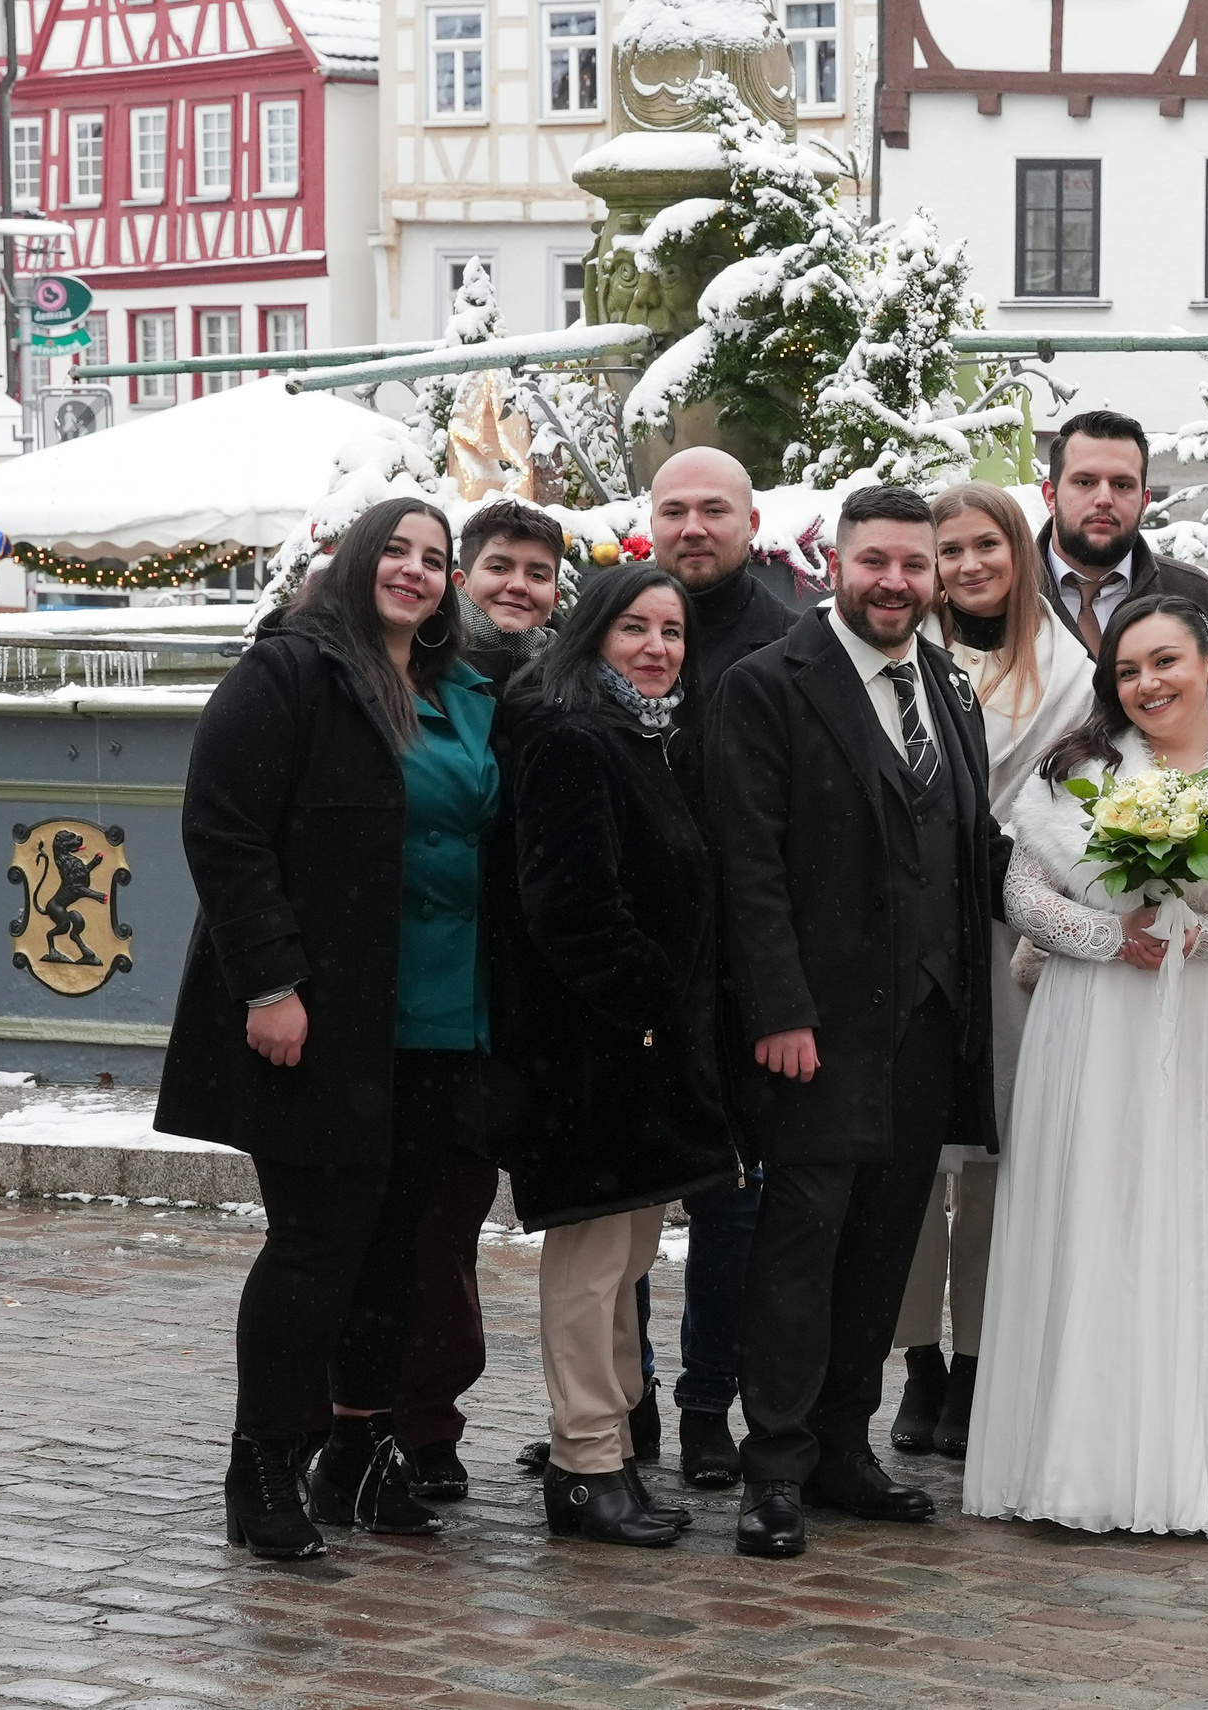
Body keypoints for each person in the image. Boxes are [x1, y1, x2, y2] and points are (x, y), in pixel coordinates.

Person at [966, 594, 1208, 1541]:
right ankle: (1077, 1458)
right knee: (1095, 1214)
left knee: (1203, 1223)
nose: (1147, 684)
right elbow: (1023, 894)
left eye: (1167, 662)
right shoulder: (1077, 773)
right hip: (1092, 1023)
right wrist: (1110, 936)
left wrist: (1195, 933)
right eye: (1128, 670)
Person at [159, 496, 495, 1560]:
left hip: (434, 1010)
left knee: (399, 1243)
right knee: (316, 1244)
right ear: (353, 562)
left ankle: (359, 1450)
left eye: (434, 558)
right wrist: (268, 983)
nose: (414, 570)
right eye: (394, 549)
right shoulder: (292, 670)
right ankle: (259, 1465)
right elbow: (223, 825)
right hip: (317, 1014)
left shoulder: (448, 686)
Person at [708, 485, 1009, 1560]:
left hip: (928, 1024)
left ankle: (844, 1448)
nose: (896, 582)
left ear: (935, 576)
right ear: (835, 564)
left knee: (883, 1247)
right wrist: (780, 1011)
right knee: (800, 1251)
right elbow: (746, 866)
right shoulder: (767, 684)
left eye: (914, 566)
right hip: (816, 1030)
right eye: (875, 561)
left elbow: (966, 848)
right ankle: (774, 1467)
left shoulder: (949, 687)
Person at [496, 565, 747, 1547]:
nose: (657, 647)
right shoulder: (569, 736)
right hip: (592, 1054)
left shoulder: (644, 736)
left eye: (673, 632)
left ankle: (608, 1453)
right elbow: (570, 909)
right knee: (594, 1262)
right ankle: (585, 1463)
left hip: (640, 1050)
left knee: (630, 1250)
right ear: (592, 635)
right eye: (635, 628)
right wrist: (648, 1005)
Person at [888, 482, 1096, 1461]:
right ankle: (918, 1364)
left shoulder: (1066, 671)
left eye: (986, 546)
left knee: (999, 1164)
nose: (968, 565)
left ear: (1018, 552)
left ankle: (979, 1365)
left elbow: (1076, 807)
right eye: (949, 549)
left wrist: (1007, 866)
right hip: (909, 937)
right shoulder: (897, 661)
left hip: (1014, 933)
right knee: (913, 1163)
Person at [391, 499, 565, 1503]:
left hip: (507, 1000)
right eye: (499, 565)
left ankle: (431, 1418)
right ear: (462, 576)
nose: (517, 587)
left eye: (537, 573)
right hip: (425, 990)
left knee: (457, 1222)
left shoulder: (557, 688)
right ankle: (395, 1422)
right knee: (409, 1223)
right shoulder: (423, 679)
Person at [647, 444, 796, 1489]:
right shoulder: (613, 625)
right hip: (630, 965)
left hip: (741, 971)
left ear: (751, 523)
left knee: (732, 1212)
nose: (692, 527)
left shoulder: (789, 641)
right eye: (673, 511)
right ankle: (616, 1409)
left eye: (713, 510)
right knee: (606, 1209)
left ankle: (708, 1407)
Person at [1036, 408, 1208, 657]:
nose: (1104, 499)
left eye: (1122, 485)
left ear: (1144, 502)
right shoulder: (1005, 593)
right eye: (1085, 482)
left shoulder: (1198, 596)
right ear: (1051, 497)